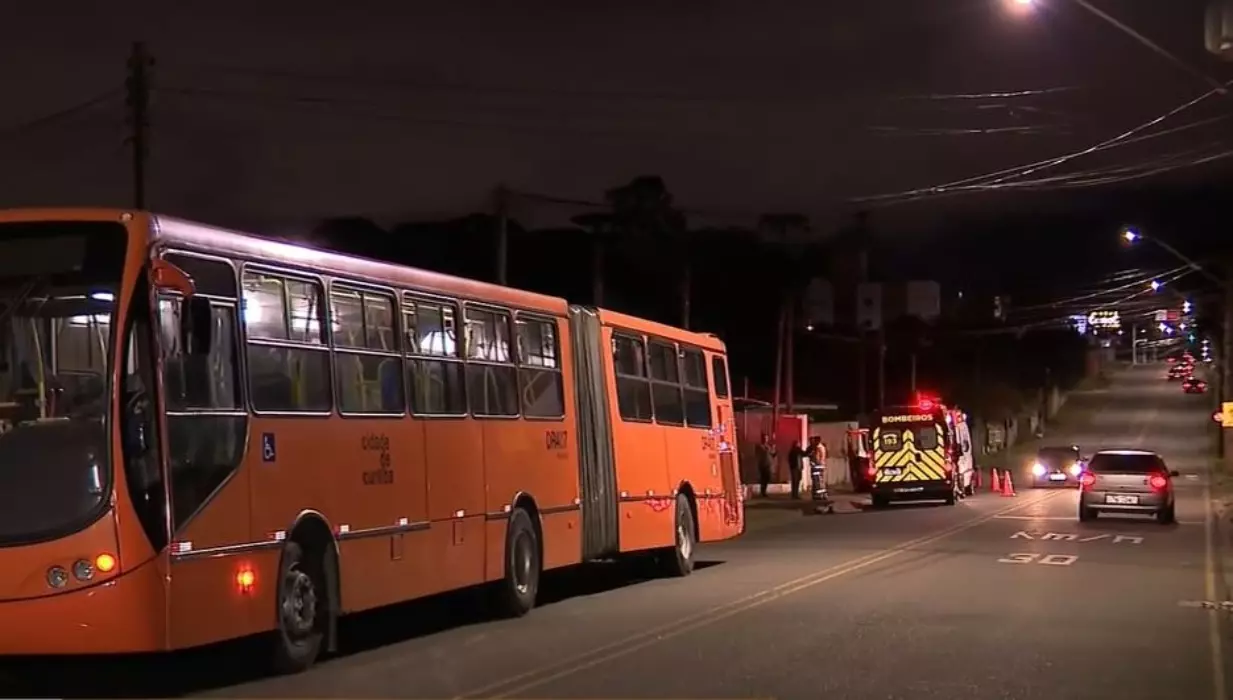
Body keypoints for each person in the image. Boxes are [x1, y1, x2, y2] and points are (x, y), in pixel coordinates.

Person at [756, 433, 776, 498]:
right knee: (763, 479)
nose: (765, 439)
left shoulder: (768, 446)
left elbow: (772, 454)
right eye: (764, 438)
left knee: (767, 478)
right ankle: (763, 492)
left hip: (768, 464)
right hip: (763, 464)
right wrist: (770, 449)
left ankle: (764, 491)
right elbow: (763, 452)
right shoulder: (759, 446)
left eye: (767, 438)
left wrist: (774, 450)